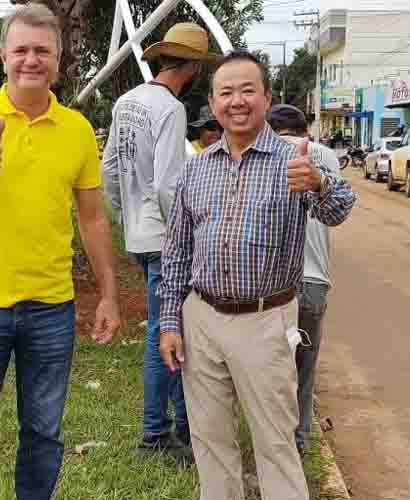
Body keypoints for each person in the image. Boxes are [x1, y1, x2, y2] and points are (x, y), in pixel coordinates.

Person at [0, 5, 121, 500]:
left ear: (58, 60)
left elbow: (93, 218)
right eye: (21, 50)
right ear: (3, 57)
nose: (31, 60)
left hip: (51, 308)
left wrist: (108, 295)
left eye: (43, 51)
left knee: (43, 436)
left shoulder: (78, 130)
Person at [157, 50, 356, 500]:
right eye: (226, 92)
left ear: (267, 97)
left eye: (248, 90)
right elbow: (176, 253)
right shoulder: (197, 168)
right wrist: (170, 321)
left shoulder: (295, 161)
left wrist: (319, 184)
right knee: (211, 441)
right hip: (201, 319)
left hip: (266, 322)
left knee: (275, 441)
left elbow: (339, 209)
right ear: (213, 101)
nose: (237, 101)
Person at [102, 22, 216, 464]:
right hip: (167, 238)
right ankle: (158, 434)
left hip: (138, 234)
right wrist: (184, 237)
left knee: (162, 330)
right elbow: (170, 184)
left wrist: (127, 216)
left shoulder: (126, 102)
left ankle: (176, 429)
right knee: (166, 334)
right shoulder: (170, 109)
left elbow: (109, 169)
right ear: (190, 68)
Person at [268, 104, 341, 457]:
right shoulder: (327, 155)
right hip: (315, 281)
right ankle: (298, 441)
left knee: (271, 366)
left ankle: (274, 439)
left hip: (277, 281)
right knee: (305, 368)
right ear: (305, 131)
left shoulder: (269, 155)